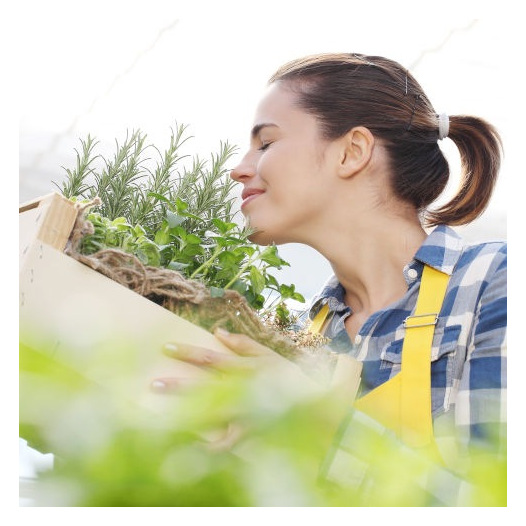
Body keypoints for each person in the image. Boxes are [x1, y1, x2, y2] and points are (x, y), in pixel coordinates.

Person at [155, 53, 507, 504]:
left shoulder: (492, 283)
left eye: (265, 143)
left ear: (352, 151)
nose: (239, 168)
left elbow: (496, 501)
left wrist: (310, 419)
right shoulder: (308, 334)